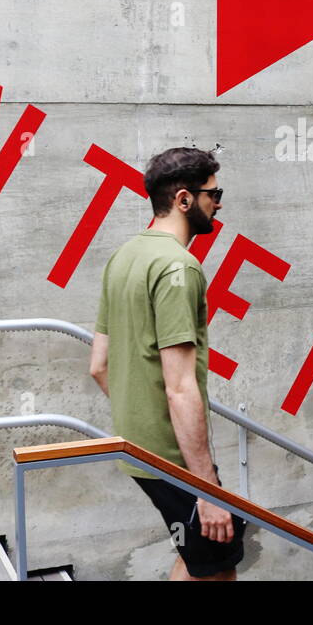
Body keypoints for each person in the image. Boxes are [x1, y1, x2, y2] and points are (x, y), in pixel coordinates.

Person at [89, 146, 245, 581]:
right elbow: (180, 387)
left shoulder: (124, 257)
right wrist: (205, 490)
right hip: (173, 458)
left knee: (200, 558)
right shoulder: (180, 269)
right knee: (218, 566)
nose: (218, 203)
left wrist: (141, 421)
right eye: (213, 194)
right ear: (183, 200)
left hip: (139, 449)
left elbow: (99, 365)